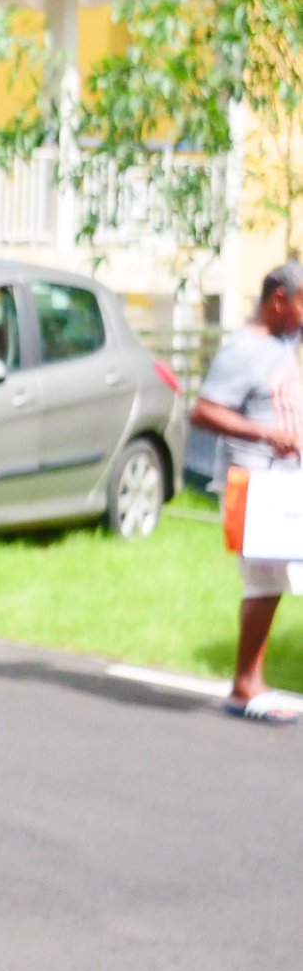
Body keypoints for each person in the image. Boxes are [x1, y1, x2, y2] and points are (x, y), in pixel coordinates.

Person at [191, 261, 303, 723]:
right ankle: (245, 686)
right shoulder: (242, 351)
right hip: (255, 484)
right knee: (264, 583)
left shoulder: (282, 340)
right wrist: (267, 434)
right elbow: (203, 412)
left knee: (274, 584)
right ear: (279, 299)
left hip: (283, 482)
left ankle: (250, 683)